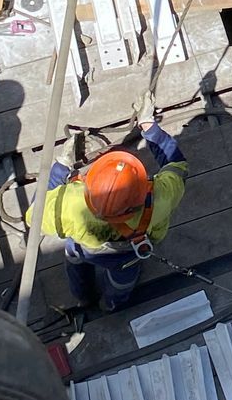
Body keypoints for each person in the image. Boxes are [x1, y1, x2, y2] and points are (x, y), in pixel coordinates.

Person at [41, 117, 188, 317]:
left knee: (74, 258)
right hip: (129, 254)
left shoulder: (70, 204)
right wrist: (148, 126)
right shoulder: (159, 199)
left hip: (86, 249)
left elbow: (34, 214)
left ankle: (82, 296)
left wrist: (61, 166)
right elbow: (176, 164)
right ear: (141, 190)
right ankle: (110, 304)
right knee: (122, 280)